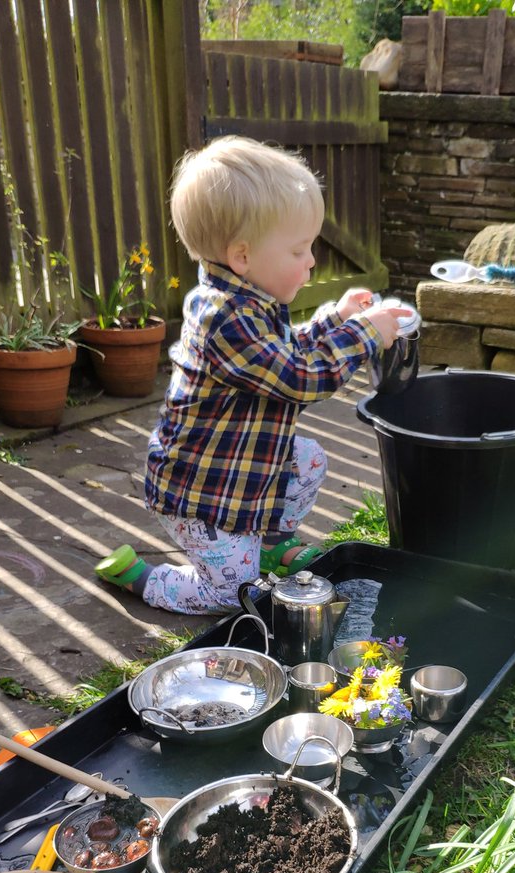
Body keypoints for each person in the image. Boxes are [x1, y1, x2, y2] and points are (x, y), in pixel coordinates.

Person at [94, 136, 407, 614]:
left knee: (307, 459)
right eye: (300, 250)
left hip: (239, 470)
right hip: (201, 493)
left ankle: (270, 543)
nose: (312, 261)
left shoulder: (250, 301)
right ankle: (145, 578)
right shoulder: (225, 318)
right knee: (233, 596)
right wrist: (363, 335)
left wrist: (337, 321)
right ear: (242, 255)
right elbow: (301, 377)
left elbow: (286, 353)